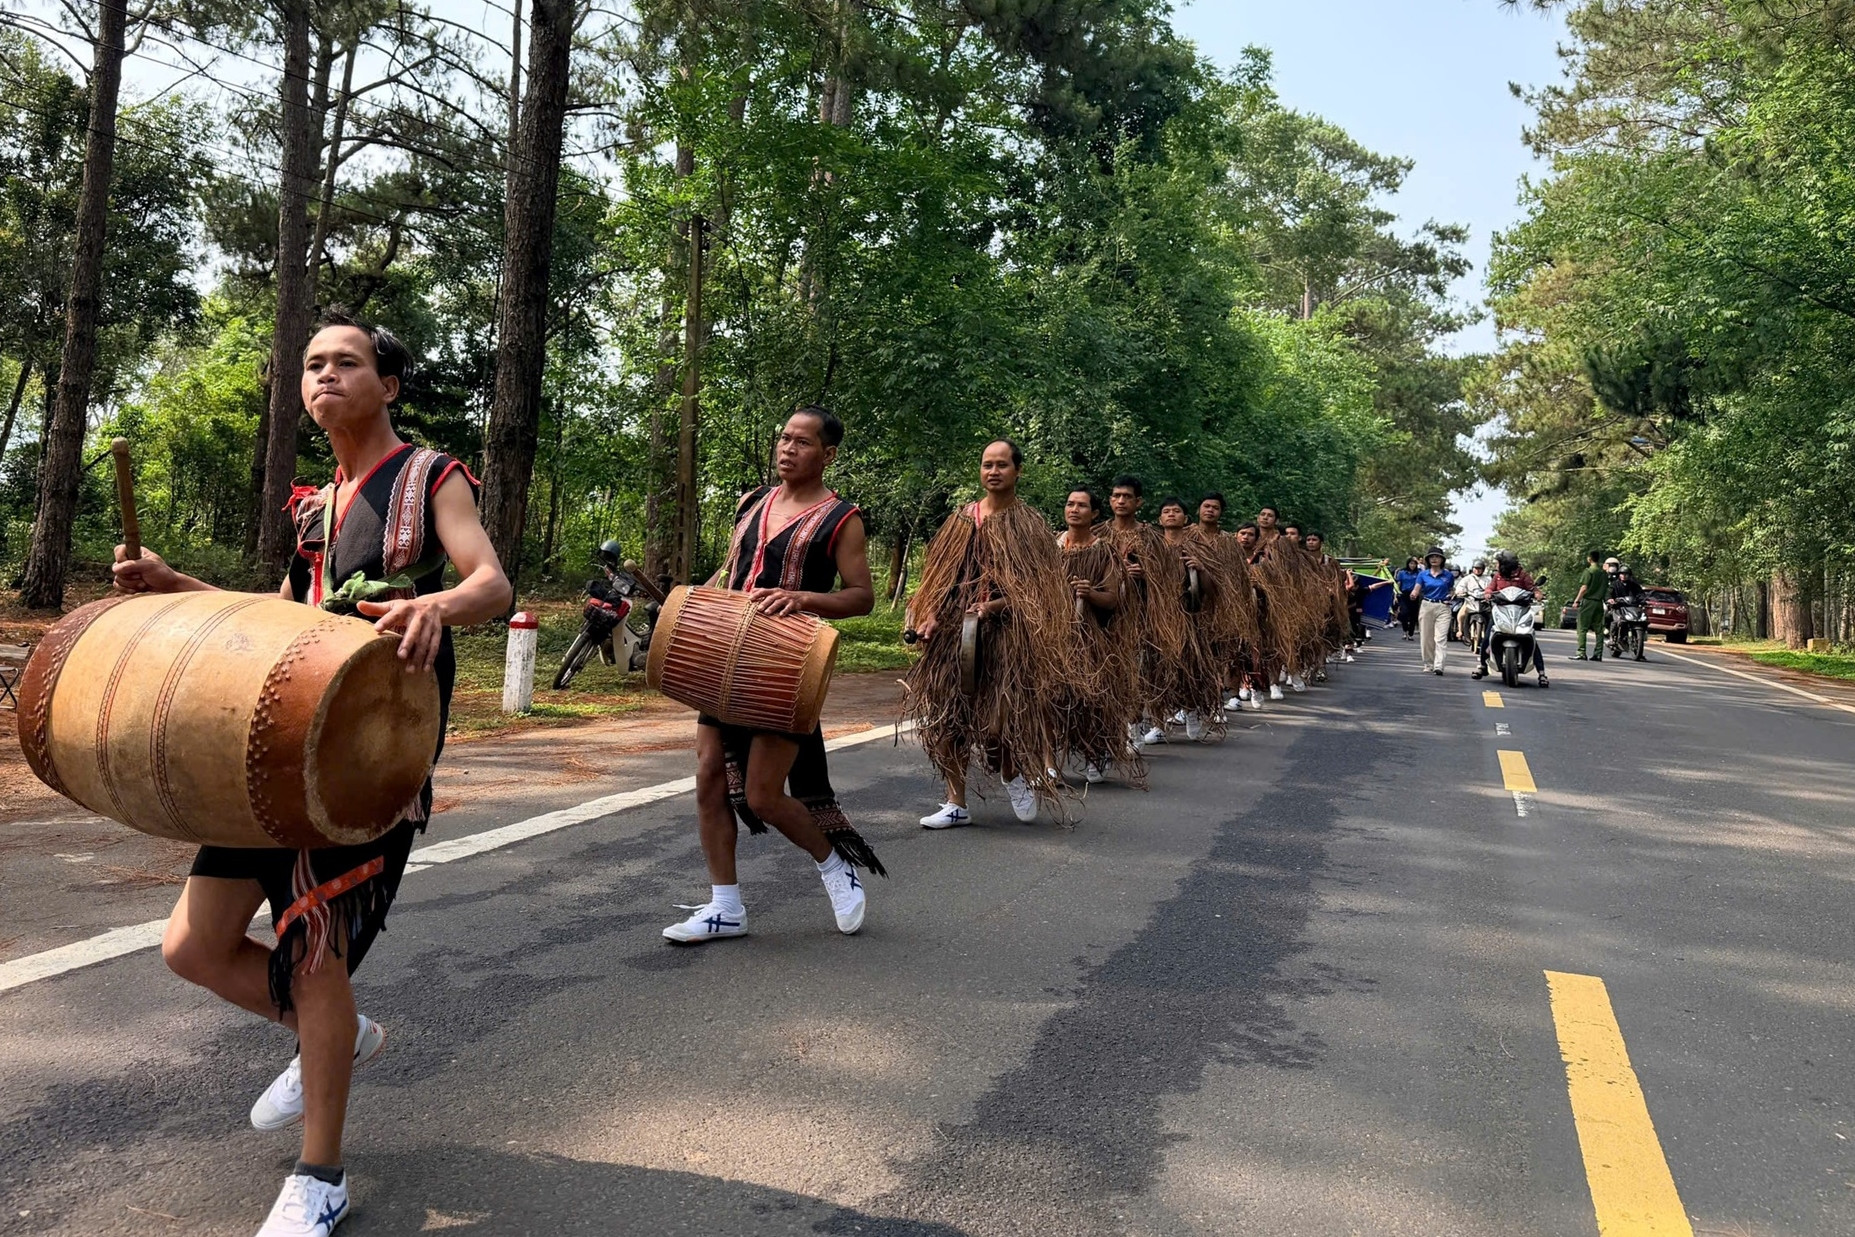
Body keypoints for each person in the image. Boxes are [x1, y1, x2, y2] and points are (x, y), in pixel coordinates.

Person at [112, 312, 512, 1237]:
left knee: (314, 952)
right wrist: (175, 584)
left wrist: (438, 604)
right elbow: (282, 619)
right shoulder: (313, 506)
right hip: (279, 752)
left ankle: (320, 1175)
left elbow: (492, 582)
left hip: (366, 759)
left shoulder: (430, 476)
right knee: (193, 946)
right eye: (312, 363)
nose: (325, 374)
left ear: (388, 386)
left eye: (347, 362)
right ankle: (339, 1036)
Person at [663, 405, 883, 945]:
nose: (788, 448)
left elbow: (862, 597)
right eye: (784, 438)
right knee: (709, 777)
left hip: (784, 666)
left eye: (803, 442)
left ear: (827, 455)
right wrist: (691, 606)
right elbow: (730, 571)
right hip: (725, 658)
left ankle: (833, 862)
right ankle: (725, 907)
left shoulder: (842, 519)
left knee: (763, 795)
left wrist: (802, 597)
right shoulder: (751, 502)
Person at [907, 440, 1074, 827]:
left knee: (1000, 723)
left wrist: (996, 606)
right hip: (955, 632)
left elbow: (1041, 591)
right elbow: (939, 579)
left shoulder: (1029, 525)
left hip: (1009, 634)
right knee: (948, 719)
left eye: (1002, 465)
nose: (993, 471)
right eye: (987, 465)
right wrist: (930, 615)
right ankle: (956, 803)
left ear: (1018, 471)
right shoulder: (961, 520)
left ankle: (1012, 773)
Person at [1103, 476, 1200, 743]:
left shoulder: (1153, 539)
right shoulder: (1100, 535)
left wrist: (1145, 574)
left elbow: (1171, 581)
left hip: (1145, 618)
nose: (1121, 501)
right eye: (1116, 496)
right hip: (1106, 616)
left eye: (1127, 496)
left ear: (1139, 502)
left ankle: (1138, 727)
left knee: (1145, 673)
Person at [1056, 486, 1141, 784]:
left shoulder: (1104, 551)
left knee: (1092, 698)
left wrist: (1090, 593)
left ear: (1094, 514)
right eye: (1070, 504)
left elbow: (1113, 600)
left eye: (1081, 505)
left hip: (1092, 638)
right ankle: (1049, 762)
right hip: (1055, 636)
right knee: (1051, 697)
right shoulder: (1052, 546)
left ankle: (1096, 751)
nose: (1074, 509)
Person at [1472, 550, 1549, 686]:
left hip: (1521, 611)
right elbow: (1490, 588)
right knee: (1487, 637)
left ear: (1506, 564)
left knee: (1531, 637)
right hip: (1501, 610)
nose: (1496, 565)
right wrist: (1488, 594)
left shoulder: (1523, 575)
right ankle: (1483, 665)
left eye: (1498, 563)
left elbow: (1532, 588)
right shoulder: (1498, 576)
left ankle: (1541, 673)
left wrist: (1537, 593)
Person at [1410, 547, 1456, 675]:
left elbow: (1451, 589)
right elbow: (1417, 588)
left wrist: (1451, 595)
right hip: (1427, 606)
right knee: (1426, 638)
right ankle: (1428, 663)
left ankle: (1439, 665)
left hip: (1443, 607)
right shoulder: (1423, 574)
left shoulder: (1448, 575)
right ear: (1428, 560)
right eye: (1431, 557)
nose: (1434, 559)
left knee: (1440, 637)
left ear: (1442, 560)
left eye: (1437, 557)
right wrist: (1413, 594)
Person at [1571, 550, 1610, 661]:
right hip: (1599, 603)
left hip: (1588, 601)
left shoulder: (1589, 571)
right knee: (1599, 629)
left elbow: (1584, 588)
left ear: (1589, 559)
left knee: (1582, 628)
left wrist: (1576, 600)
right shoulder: (1603, 573)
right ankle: (1598, 653)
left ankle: (1581, 652)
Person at [1606, 563, 1648, 660]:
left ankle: (1639, 650)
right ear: (1619, 575)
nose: (1624, 576)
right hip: (1619, 607)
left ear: (1629, 575)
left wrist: (1643, 600)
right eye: (1622, 574)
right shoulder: (1615, 584)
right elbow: (1608, 593)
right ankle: (1612, 639)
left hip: (1632, 608)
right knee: (1617, 621)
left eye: (1626, 574)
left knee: (1643, 621)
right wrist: (1610, 599)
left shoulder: (1634, 585)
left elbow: (1641, 594)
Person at [1454, 559, 1490, 642]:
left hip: (1484, 603)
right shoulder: (1467, 579)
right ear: (1472, 568)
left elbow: (1492, 588)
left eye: (1479, 568)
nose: (1477, 570)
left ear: (1483, 569)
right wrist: (1460, 592)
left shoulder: (1488, 579)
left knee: (1492, 616)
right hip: (1470, 601)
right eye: (1475, 568)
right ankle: (1460, 630)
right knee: (1460, 615)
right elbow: (1460, 587)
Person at [1393, 556, 1423, 640]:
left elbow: (1423, 577)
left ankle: (1410, 634)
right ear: (1408, 564)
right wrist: (1396, 594)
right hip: (1404, 594)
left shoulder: (1419, 573)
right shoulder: (1402, 572)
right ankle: (1405, 630)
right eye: (1411, 563)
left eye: (1414, 564)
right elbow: (1398, 584)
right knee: (1404, 613)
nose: (1412, 565)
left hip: (1415, 594)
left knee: (1413, 614)